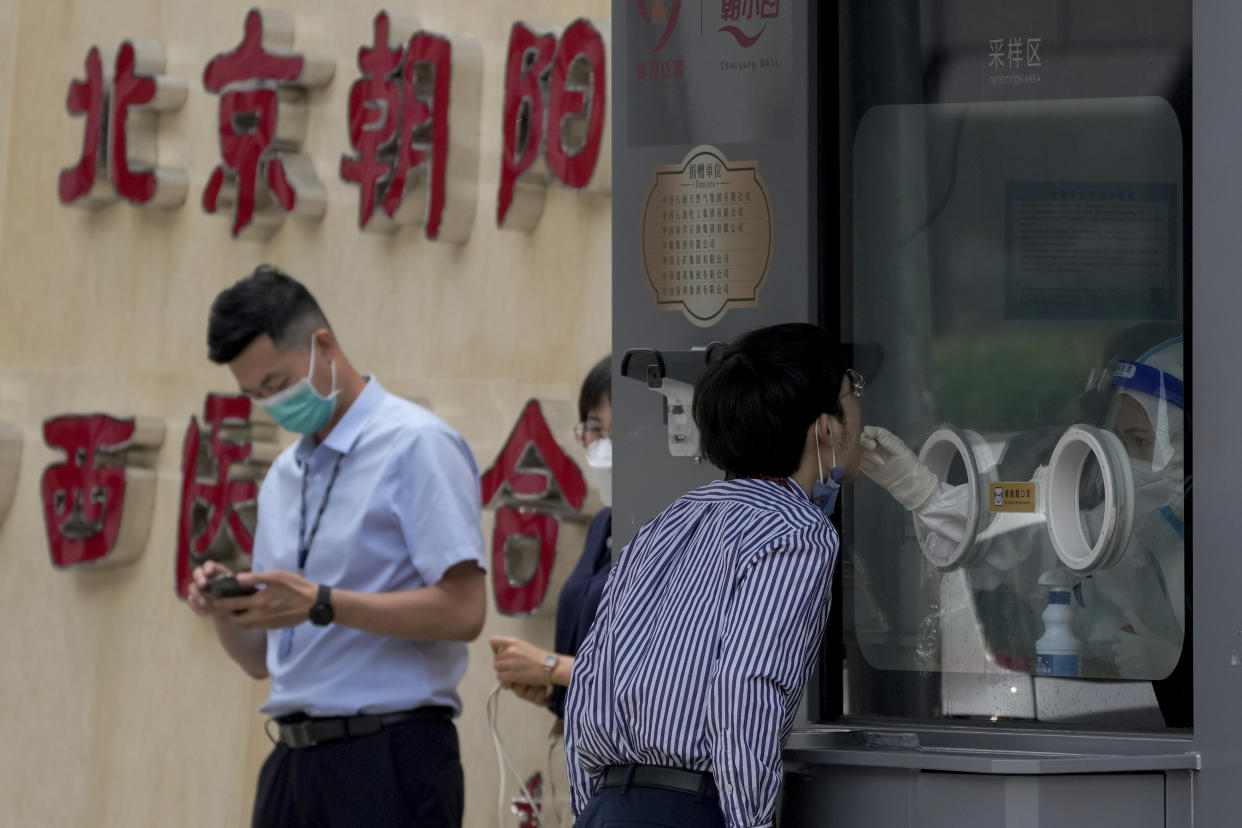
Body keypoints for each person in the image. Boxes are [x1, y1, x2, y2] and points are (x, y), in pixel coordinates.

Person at [184, 265, 487, 827]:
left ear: (324, 346)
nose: (270, 405)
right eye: (254, 395)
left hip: (388, 758)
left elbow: (465, 610)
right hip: (291, 764)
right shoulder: (283, 475)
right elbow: (261, 662)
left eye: (276, 385)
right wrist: (227, 611)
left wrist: (322, 602)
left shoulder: (417, 445)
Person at [564, 323, 863, 828]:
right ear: (824, 428)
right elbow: (747, 685)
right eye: (851, 395)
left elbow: (590, 680)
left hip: (608, 807)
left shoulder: (669, 519)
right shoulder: (797, 531)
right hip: (691, 810)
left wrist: (592, 811)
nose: (860, 413)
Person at [861, 332, 1188, 723]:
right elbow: (1028, 529)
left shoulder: (1212, 539)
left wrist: (1180, 663)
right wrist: (928, 494)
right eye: (1117, 439)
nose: (1123, 459)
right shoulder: (1112, 527)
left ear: (1189, 446)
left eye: (1140, 440)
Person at [487, 356, 613, 823]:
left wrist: (550, 666)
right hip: (583, 763)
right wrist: (550, 689)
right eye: (591, 431)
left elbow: (660, 683)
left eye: (608, 430)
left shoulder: (678, 528)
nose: (599, 446)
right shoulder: (604, 525)